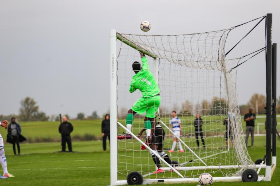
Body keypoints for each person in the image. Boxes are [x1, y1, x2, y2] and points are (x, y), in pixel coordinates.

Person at [124, 52, 161, 141]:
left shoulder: (134, 80)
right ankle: (149, 136)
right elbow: (145, 61)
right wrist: (142, 55)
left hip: (148, 98)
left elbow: (131, 90)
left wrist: (136, 84)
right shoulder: (146, 70)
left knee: (130, 111)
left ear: (133, 70)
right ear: (140, 67)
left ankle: (128, 133)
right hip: (157, 98)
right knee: (148, 117)